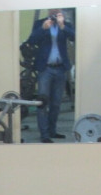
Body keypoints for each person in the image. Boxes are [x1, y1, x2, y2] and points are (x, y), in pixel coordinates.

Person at [28, 9, 75, 142]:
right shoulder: (40, 23)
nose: (54, 11)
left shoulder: (65, 24)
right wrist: (43, 29)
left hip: (60, 68)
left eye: (57, 9)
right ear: (48, 10)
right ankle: (44, 135)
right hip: (45, 69)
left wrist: (62, 26)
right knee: (42, 103)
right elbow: (31, 41)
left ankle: (52, 131)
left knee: (56, 103)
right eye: (52, 9)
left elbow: (74, 37)